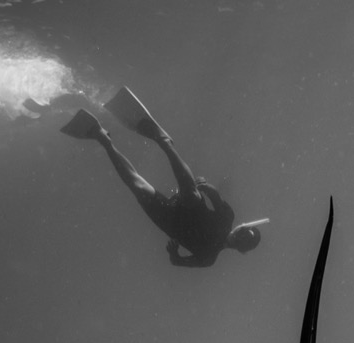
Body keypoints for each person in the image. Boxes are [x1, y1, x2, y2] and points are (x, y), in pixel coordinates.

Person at [61, 88, 266, 268]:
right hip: (189, 204)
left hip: (170, 220)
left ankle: (102, 138)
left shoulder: (207, 258)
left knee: (137, 186)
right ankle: (164, 141)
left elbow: (177, 262)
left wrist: (173, 252)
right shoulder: (226, 218)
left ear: (241, 250)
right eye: (243, 234)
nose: (238, 237)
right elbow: (213, 194)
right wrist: (204, 186)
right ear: (243, 226)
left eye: (242, 241)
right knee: (192, 196)